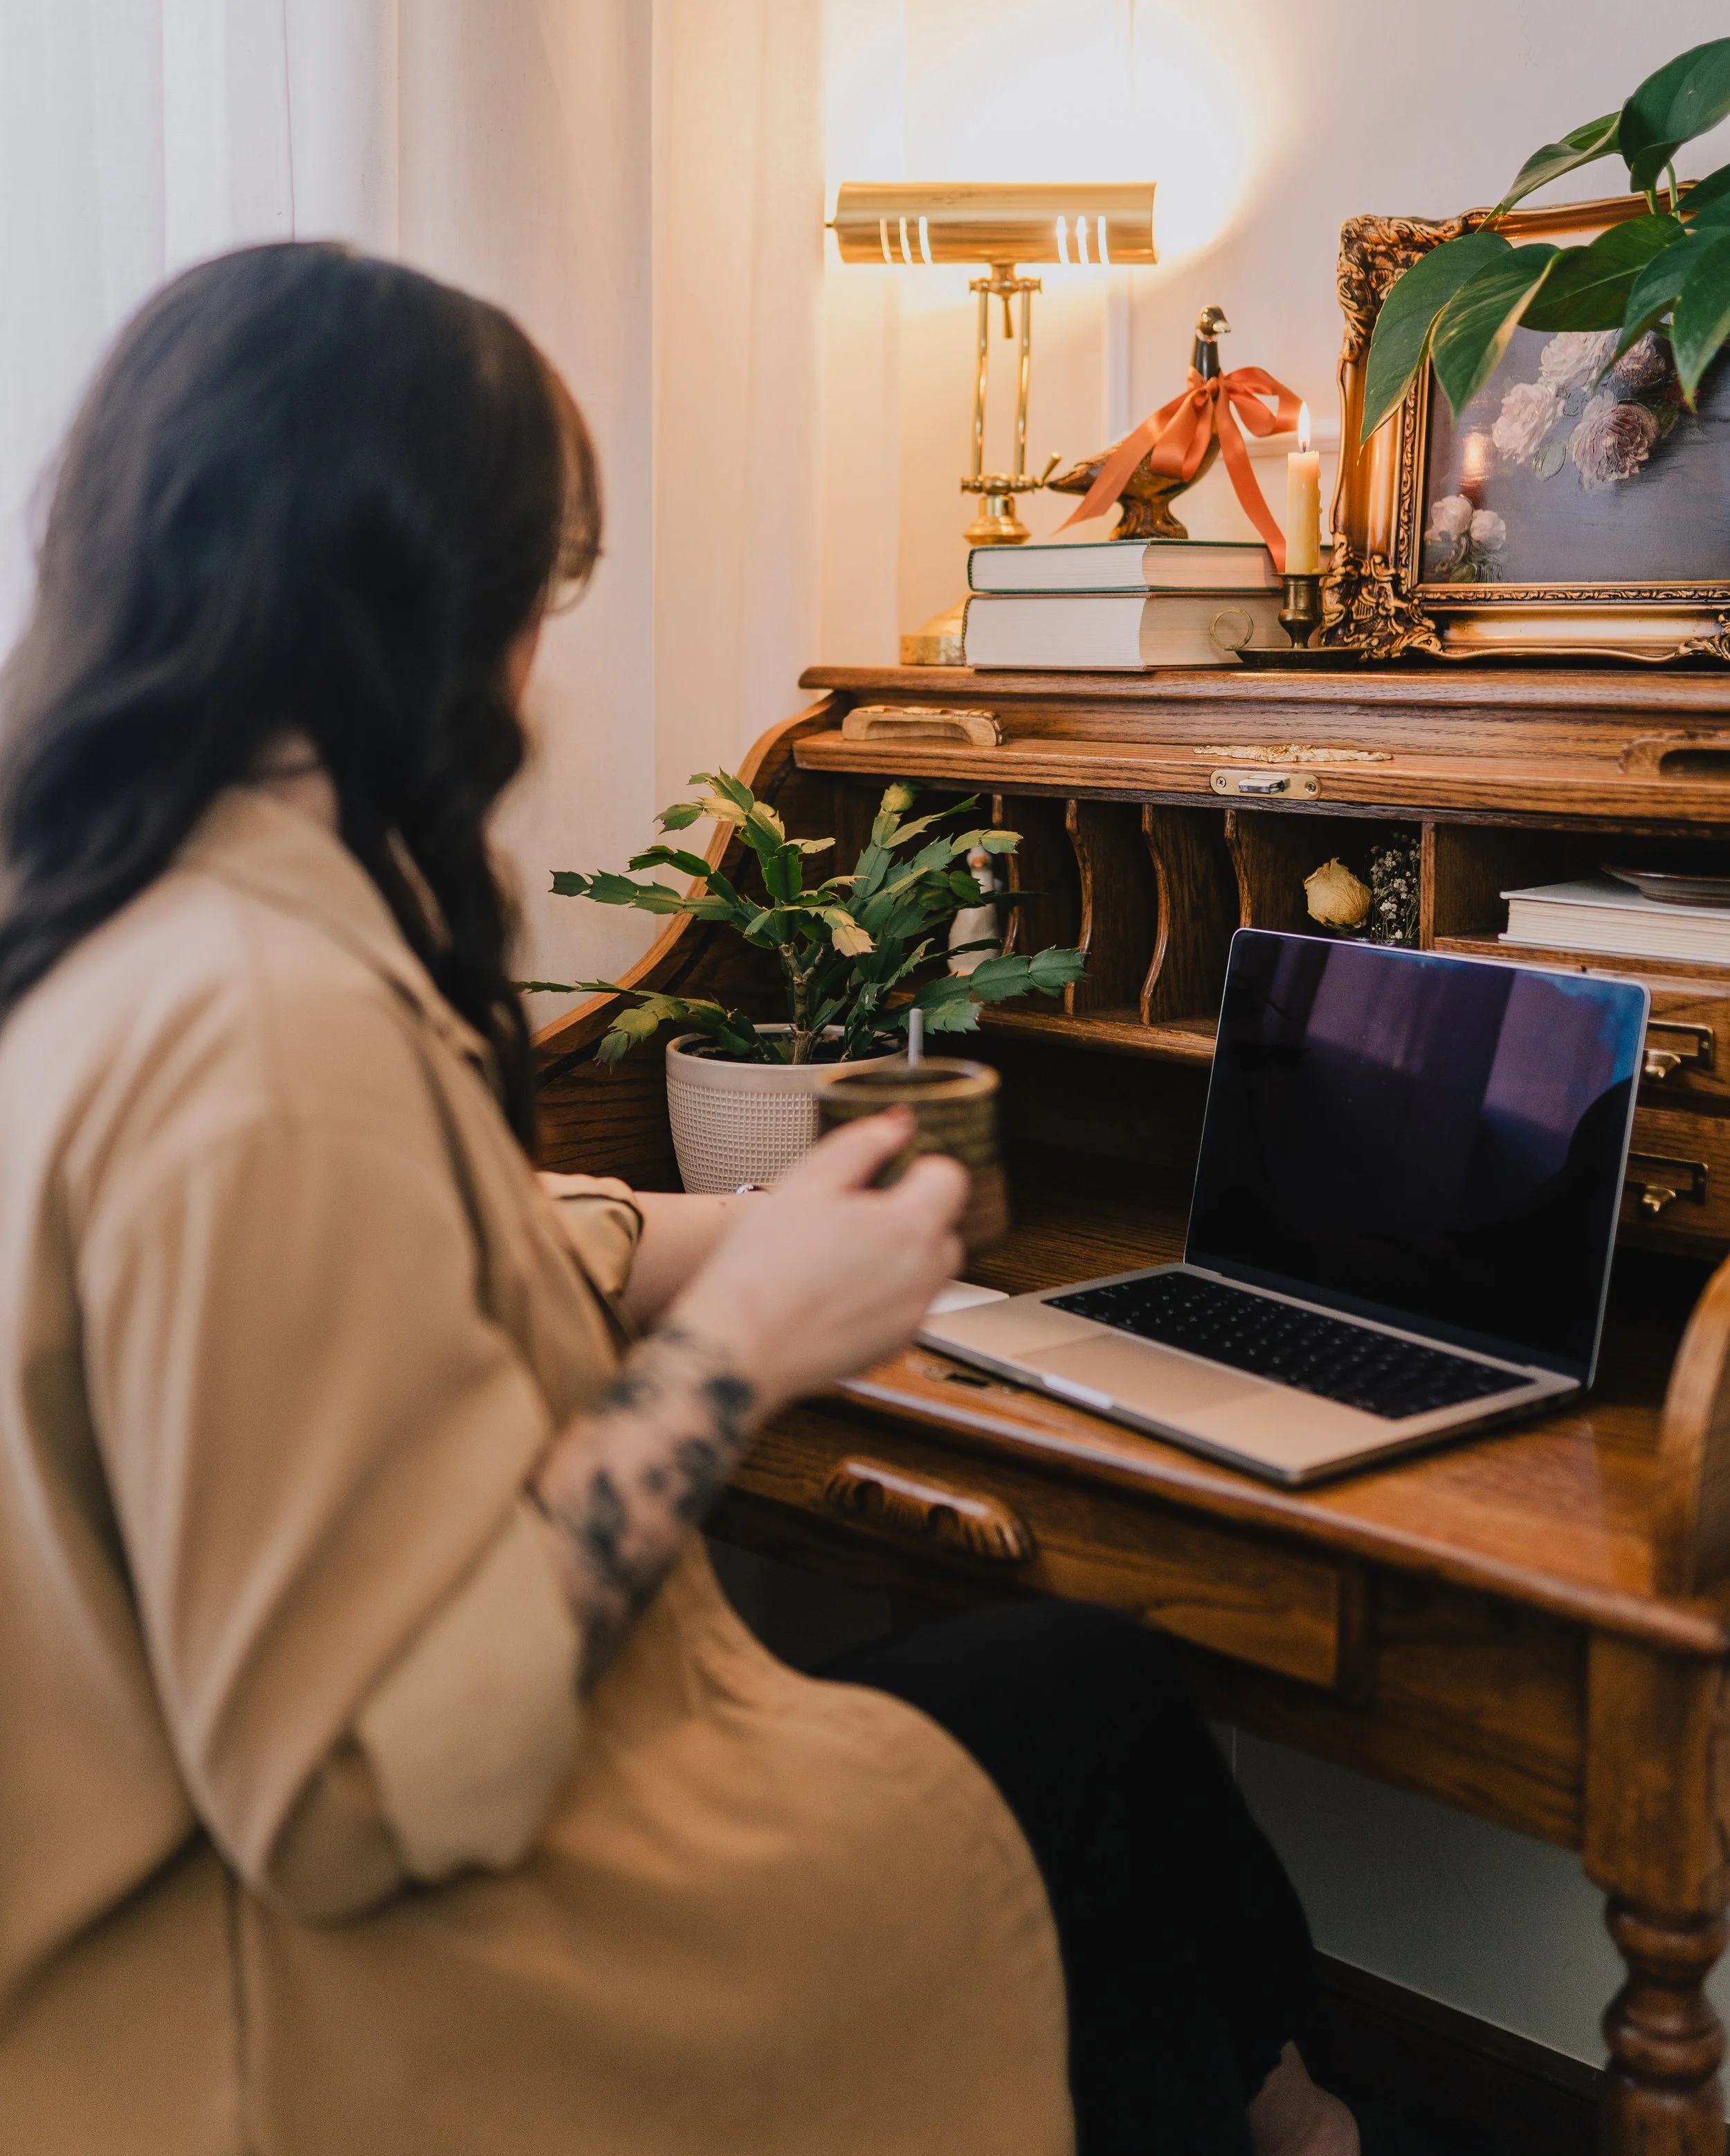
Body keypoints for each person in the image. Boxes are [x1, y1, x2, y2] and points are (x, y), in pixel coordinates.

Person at [0, 244, 1356, 2156]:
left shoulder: (110, 925)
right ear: (431, 607)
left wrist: (687, 1238)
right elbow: (359, 1801)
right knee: (1086, 1721)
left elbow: (296, 1310)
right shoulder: (264, 1029)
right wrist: (745, 1337)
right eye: (542, 592)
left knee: (1074, 1707)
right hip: (301, 2010)